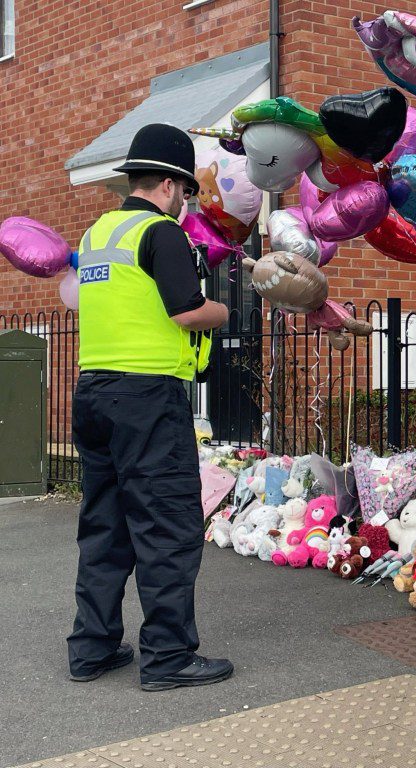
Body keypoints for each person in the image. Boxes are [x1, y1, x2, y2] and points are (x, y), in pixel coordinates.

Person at [67, 123, 233, 691]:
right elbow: (187, 312)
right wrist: (224, 312)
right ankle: (168, 658)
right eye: (185, 192)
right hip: (147, 398)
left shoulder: (96, 236)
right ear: (167, 185)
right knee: (167, 525)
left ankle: (91, 647)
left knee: (105, 526)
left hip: (93, 393)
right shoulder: (161, 234)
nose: (187, 202)